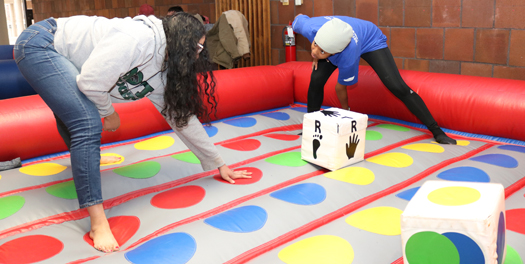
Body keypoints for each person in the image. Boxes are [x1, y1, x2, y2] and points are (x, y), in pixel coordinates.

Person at [14, 12, 251, 253]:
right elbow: (90, 84)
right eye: (197, 46)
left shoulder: (162, 68)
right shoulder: (138, 39)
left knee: (76, 109)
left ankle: (85, 160)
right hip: (41, 43)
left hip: (65, 55)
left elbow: (181, 118)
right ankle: (98, 222)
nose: (199, 53)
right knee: (87, 120)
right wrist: (109, 113)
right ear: (180, 40)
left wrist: (218, 162)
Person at [292, 15, 456, 145]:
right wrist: (317, 53)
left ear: (335, 53)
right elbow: (299, 18)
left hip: (371, 39)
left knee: (396, 86)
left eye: (322, 52)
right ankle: (311, 125)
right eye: (314, 45)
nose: (313, 52)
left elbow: (340, 88)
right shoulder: (309, 27)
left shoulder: (348, 55)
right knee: (316, 78)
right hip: (335, 38)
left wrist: (346, 114)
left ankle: (437, 131)